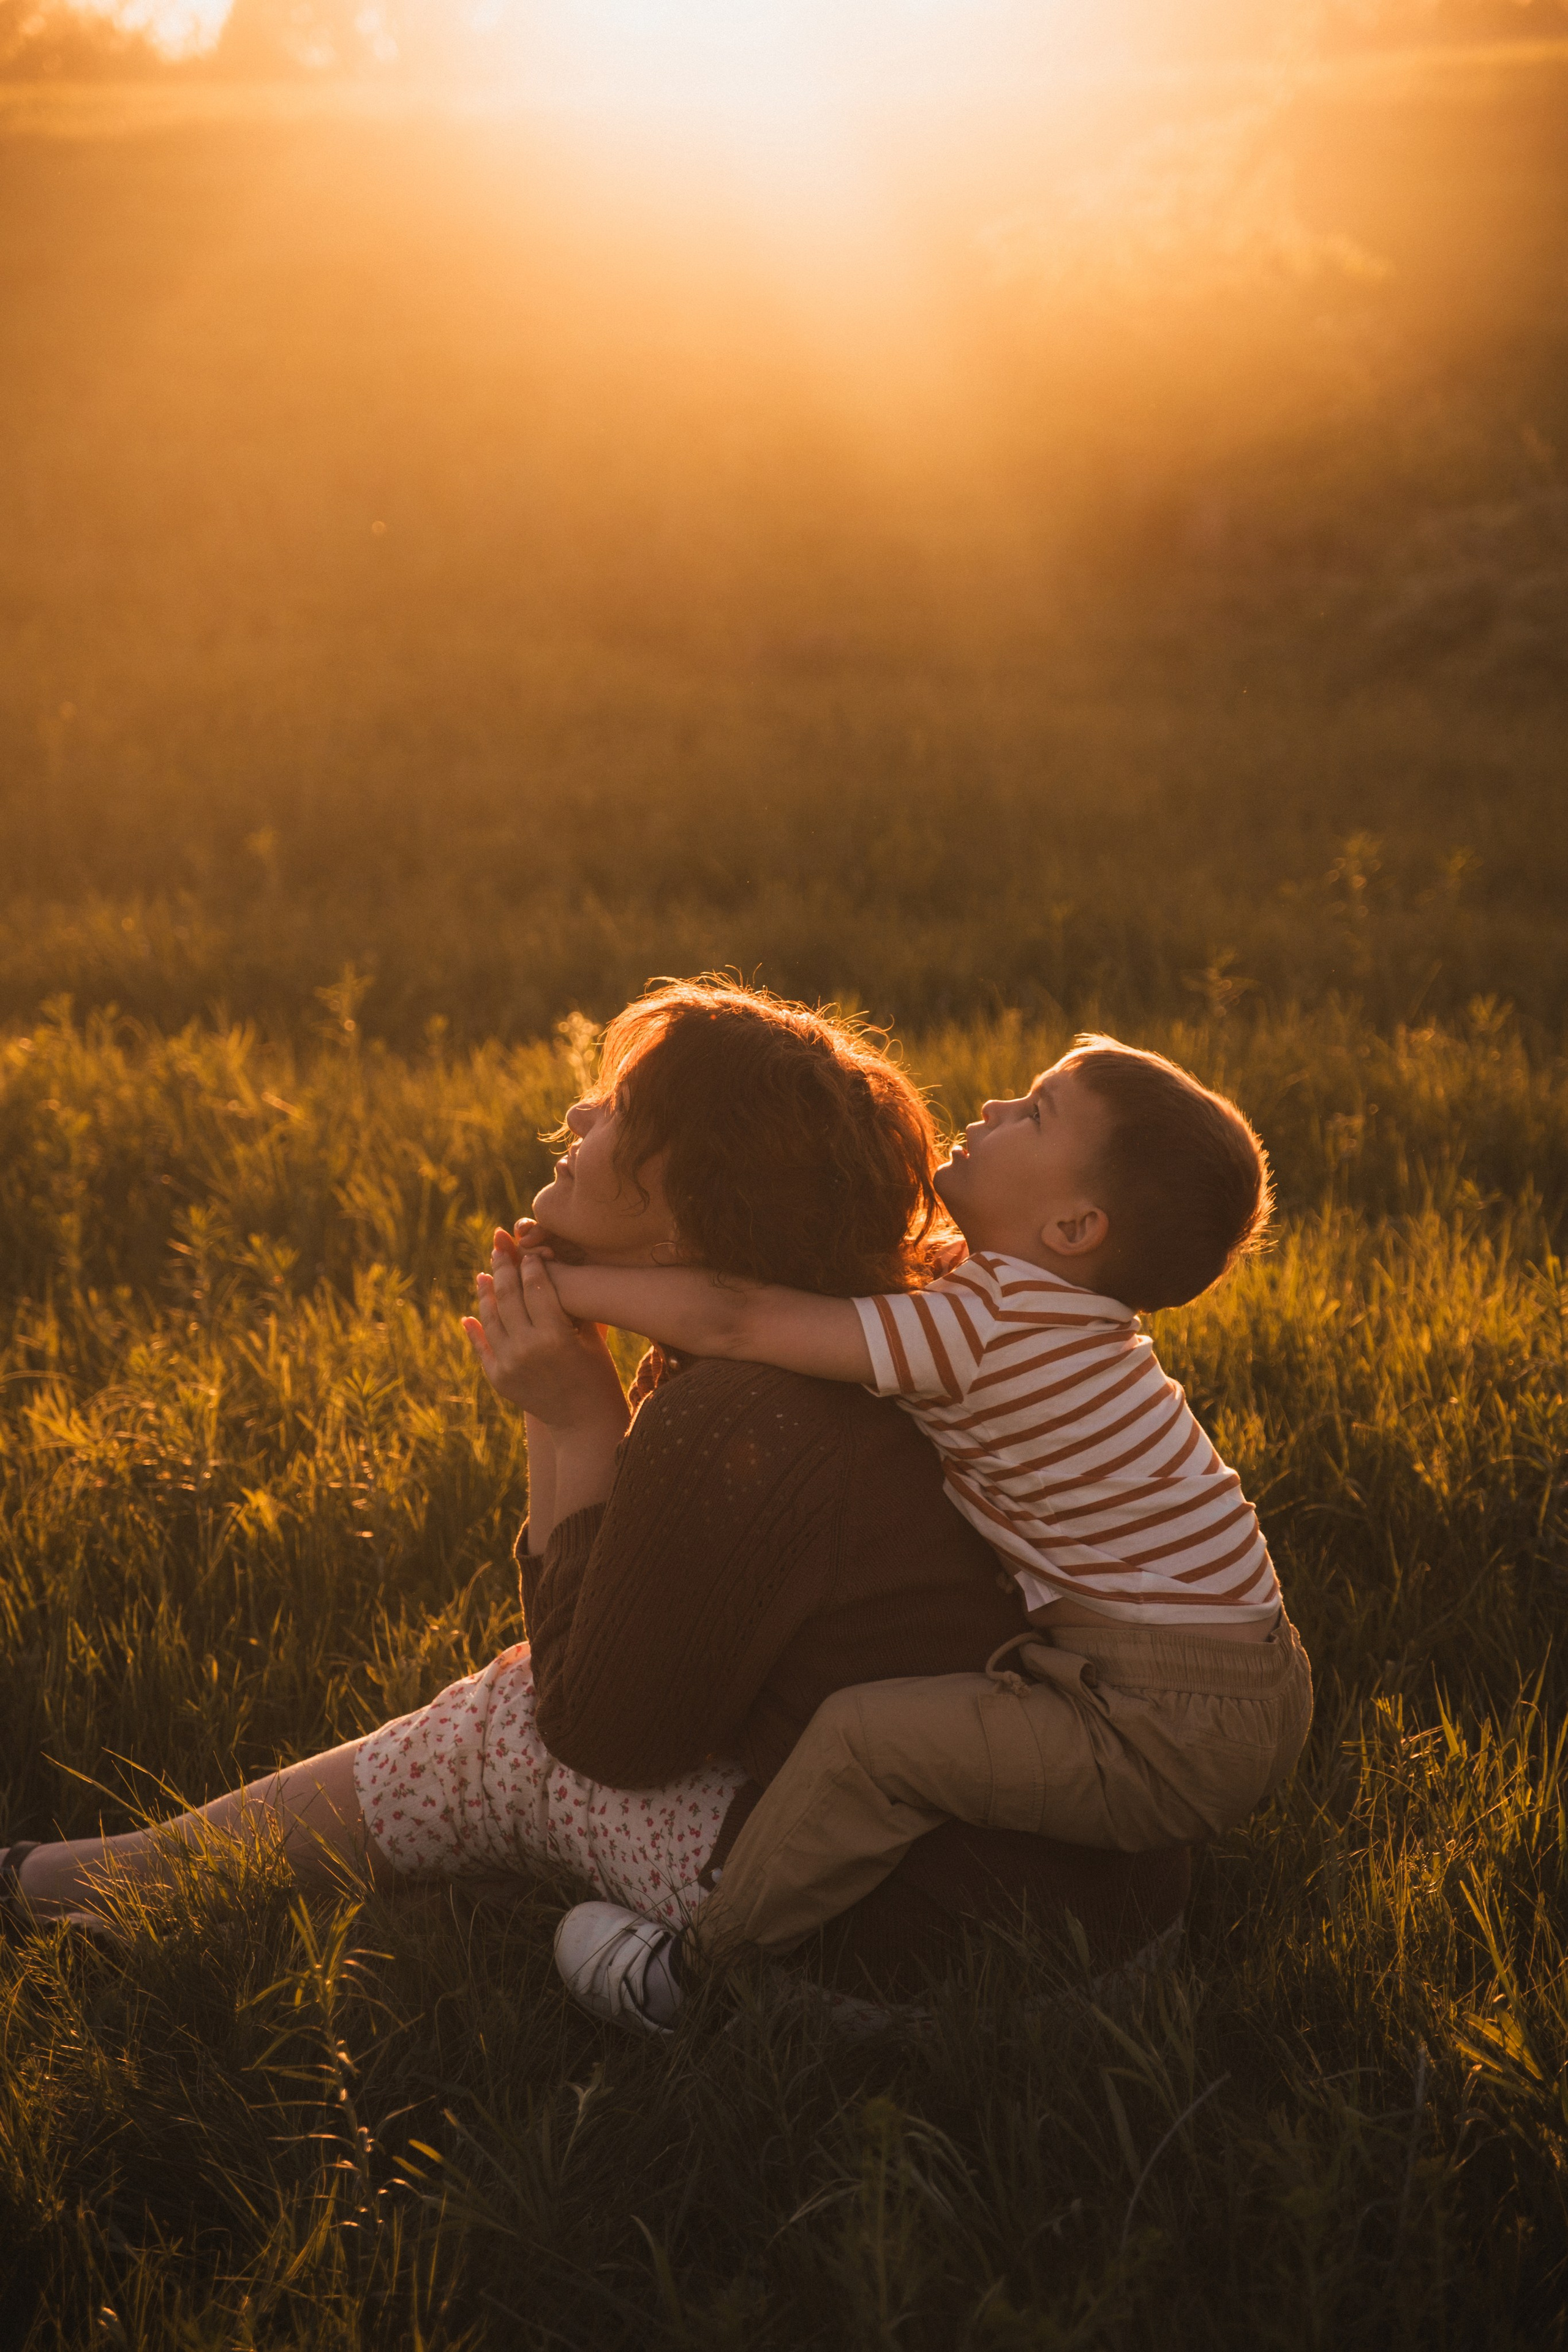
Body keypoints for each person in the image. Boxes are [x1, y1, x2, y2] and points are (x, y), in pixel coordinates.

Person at [2, 981, 1189, 2036]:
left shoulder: (737, 1421)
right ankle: (124, 1881)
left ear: (690, 1214)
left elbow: (598, 1733)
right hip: (1103, 1914)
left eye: (620, 1109)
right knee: (530, 1709)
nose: (576, 1120)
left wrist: (570, 1421)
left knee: (503, 1733)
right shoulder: (880, 1340)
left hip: (921, 1951)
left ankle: (70, 1896)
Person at [471, 1034, 1311, 2030]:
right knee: (918, 1742)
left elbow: (741, 1320)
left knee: (868, 1747)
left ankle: (697, 1972)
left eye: (1034, 1113)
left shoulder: (987, 1332)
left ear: (1076, 1225)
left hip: (1164, 1716)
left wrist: (561, 1290)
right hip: (1240, 1672)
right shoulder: (1040, 1308)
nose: (995, 1109)